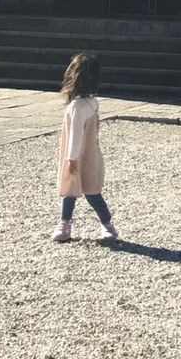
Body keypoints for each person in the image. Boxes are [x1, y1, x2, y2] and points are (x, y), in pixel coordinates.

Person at [51, 51, 119, 243]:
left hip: (77, 156)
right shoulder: (92, 102)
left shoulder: (76, 106)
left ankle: (65, 225)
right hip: (92, 154)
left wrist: (71, 159)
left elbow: (75, 136)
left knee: (70, 191)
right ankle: (107, 226)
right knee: (93, 192)